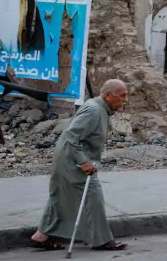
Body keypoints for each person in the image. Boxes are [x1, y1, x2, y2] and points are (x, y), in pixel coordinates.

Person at [30, 79, 129, 251]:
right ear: (107, 96)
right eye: (122, 96)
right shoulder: (94, 110)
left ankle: (42, 235)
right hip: (73, 161)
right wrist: (83, 162)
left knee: (60, 196)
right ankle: (102, 240)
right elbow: (71, 135)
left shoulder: (98, 108)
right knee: (93, 196)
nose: (125, 100)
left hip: (67, 157)